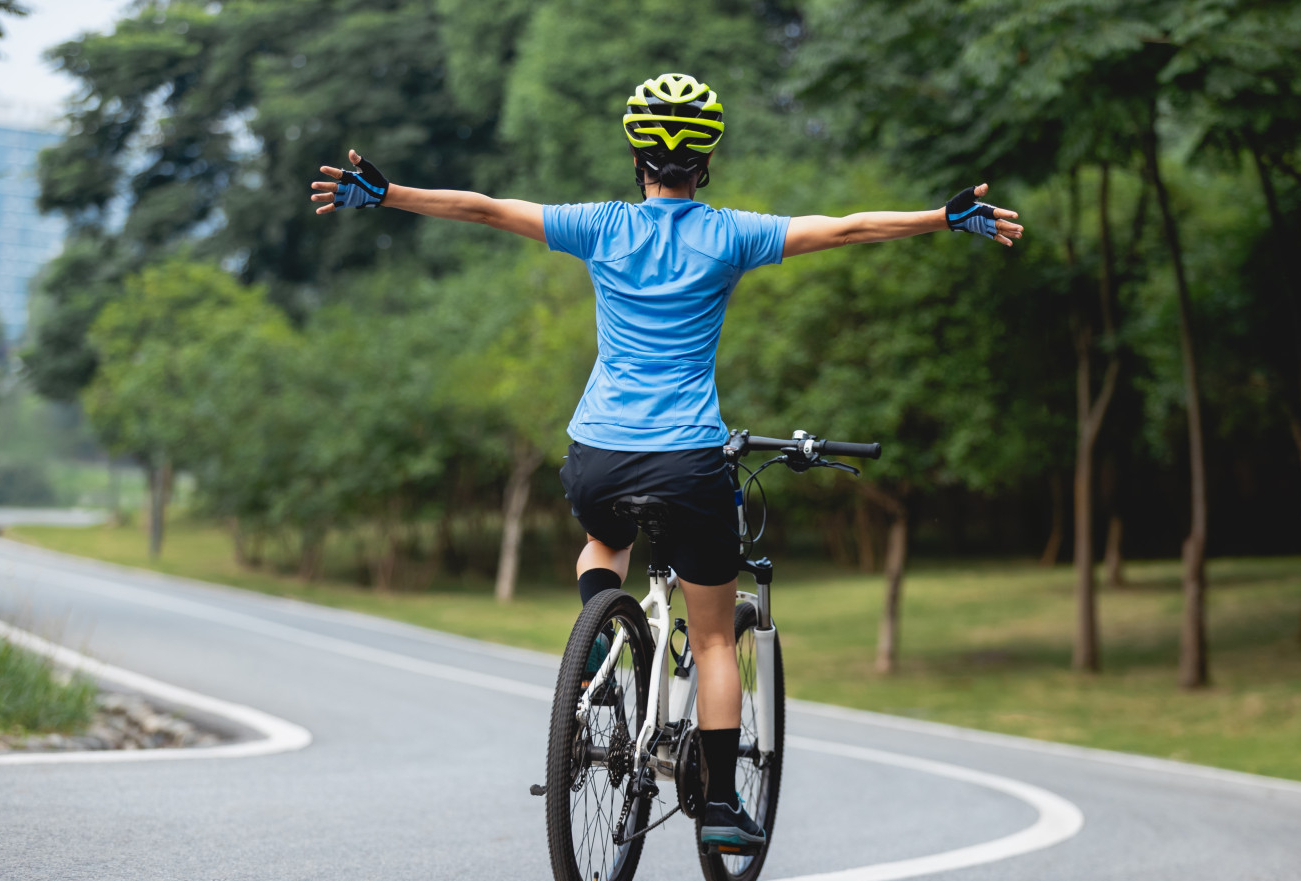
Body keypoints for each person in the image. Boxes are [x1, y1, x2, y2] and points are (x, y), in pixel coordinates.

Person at [310, 72, 1022, 853]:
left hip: (599, 458)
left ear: (636, 157)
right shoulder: (733, 235)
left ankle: (596, 655)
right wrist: (943, 218)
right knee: (715, 639)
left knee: (602, 542)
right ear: (705, 163)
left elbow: (483, 207)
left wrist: (385, 195)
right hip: (687, 460)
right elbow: (846, 228)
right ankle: (717, 805)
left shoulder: (599, 225)